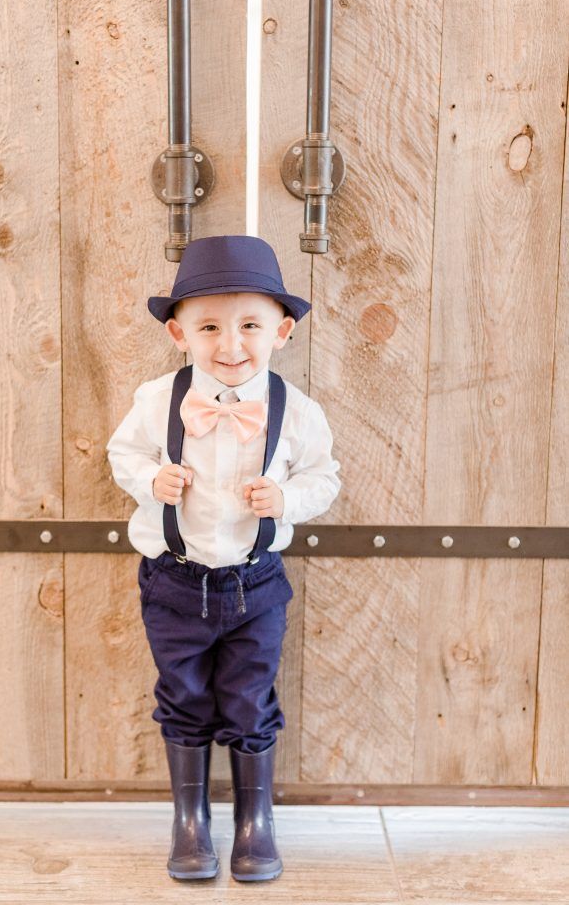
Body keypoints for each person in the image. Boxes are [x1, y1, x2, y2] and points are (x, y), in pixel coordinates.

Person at [106, 234, 341, 882]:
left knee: (248, 697)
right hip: (173, 582)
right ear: (179, 333)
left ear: (282, 331)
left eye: (249, 326)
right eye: (208, 326)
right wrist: (149, 480)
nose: (229, 344)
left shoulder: (298, 413)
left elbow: (325, 478)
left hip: (255, 585)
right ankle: (189, 820)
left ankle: (253, 822)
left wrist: (287, 496)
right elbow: (123, 455)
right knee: (181, 694)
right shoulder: (157, 401)